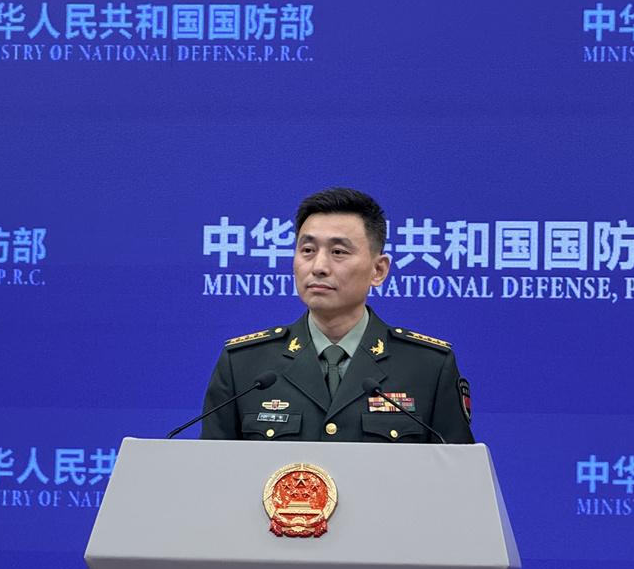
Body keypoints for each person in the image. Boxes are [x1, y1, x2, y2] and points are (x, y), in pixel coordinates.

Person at [200, 187, 474, 443]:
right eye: (307, 250)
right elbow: (212, 470)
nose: (318, 266)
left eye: (338, 252)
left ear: (378, 270)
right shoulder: (244, 365)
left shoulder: (428, 367)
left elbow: (457, 472)